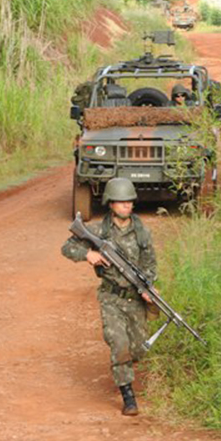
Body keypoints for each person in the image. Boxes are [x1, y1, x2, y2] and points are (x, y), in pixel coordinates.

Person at [61, 178, 157, 416]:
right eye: (121, 202)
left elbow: (150, 264)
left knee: (138, 349)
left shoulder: (142, 232)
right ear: (110, 204)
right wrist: (87, 254)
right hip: (111, 298)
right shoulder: (98, 231)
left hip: (134, 299)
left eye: (129, 202)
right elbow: (67, 247)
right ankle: (128, 396)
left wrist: (148, 286)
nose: (126, 206)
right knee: (119, 345)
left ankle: (126, 367)